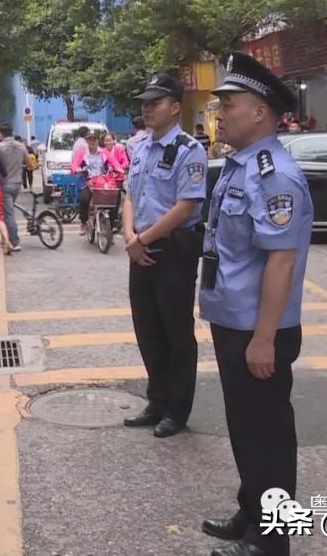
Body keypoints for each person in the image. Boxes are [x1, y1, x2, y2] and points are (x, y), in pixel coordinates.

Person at [199, 51, 314, 556]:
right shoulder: (238, 166)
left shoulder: (274, 175)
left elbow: (281, 263)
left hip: (257, 330)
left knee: (266, 435)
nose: (220, 111)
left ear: (261, 111)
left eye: (230, 102)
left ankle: (272, 540)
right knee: (244, 427)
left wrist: (265, 337)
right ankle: (252, 512)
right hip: (234, 320)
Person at [121, 72, 207, 439]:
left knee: (176, 332)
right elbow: (129, 195)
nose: (147, 108)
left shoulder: (190, 150)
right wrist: (130, 236)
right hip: (139, 249)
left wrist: (143, 238)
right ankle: (156, 400)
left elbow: (186, 206)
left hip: (172, 252)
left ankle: (176, 409)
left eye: (154, 102)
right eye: (145, 102)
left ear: (175, 107)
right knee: (148, 330)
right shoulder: (140, 147)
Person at [72, 132, 124, 235]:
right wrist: (77, 169)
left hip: (102, 181)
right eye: (90, 140)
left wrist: (119, 169)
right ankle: (84, 222)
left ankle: (111, 224)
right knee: (84, 199)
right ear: (87, 141)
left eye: (94, 139)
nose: (92, 142)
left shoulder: (104, 152)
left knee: (113, 197)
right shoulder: (82, 153)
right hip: (87, 181)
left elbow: (114, 162)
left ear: (97, 141)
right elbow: (74, 165)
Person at [0, 124, 29, 252]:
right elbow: (29, 163)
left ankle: (15, 242)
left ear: (1, 134)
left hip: (4, 184)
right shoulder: (21, 146)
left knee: (9, 213)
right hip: (17, 183)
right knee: (7, 211)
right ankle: (6, 238)